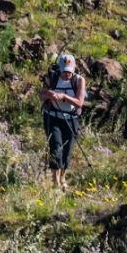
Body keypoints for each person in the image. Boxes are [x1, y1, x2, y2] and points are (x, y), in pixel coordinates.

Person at [41, 53, 86, 189]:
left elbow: (79, 103)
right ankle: (55, 183)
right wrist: (49, 94)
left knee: (67, 152)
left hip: (71, 119)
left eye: (69, 71)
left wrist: (63, 97)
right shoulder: (52, 77)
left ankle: (63, 177)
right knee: (56, 148)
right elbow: (41, 95)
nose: (67, 74)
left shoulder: (79, 80)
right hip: (52, 117)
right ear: (60, 68)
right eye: (65, 71)